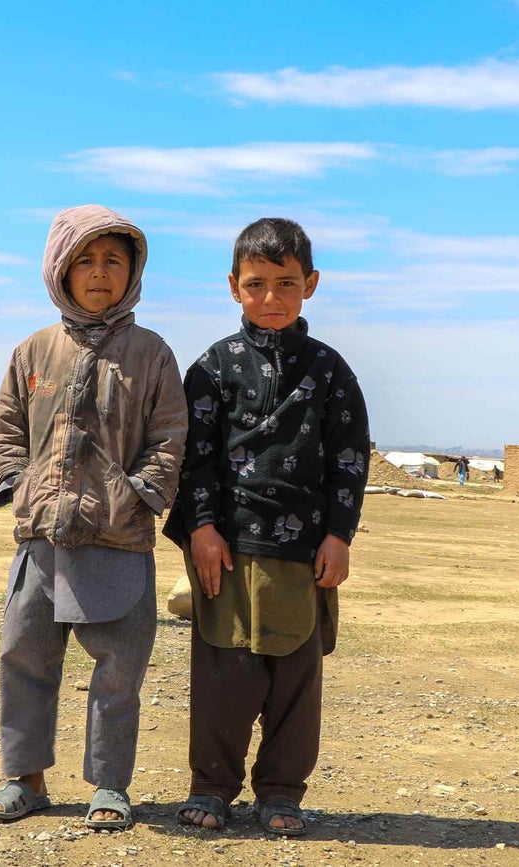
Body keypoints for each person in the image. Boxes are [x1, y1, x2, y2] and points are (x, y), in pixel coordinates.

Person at [0, 205, 187, 831]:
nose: (99, 274)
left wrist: (140, 492)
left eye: (113, 261)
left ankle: (110, 785)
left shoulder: (151, 354)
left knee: (120, 669)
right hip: (41, 540)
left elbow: (170, 434)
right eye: (85, 262)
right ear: (59, 271)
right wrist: (20, 486)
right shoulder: (33, 350)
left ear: (134, 271)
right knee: (25, 656)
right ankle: (24, 778)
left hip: (118, 540)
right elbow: (7, 426)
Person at [163, 217, 370, 836]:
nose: (272, 299)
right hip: (224, 547)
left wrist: (339, 535)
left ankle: (281, 793)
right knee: (224, 675)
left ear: (311, 283)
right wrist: (200, 527)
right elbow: (191, 455)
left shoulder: (331, 371)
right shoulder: (213, 367)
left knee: (295, 679)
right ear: (233, 287)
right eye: (257, 285)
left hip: (305, 553)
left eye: (286, 283)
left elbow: (350, 458)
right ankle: (212, 787)